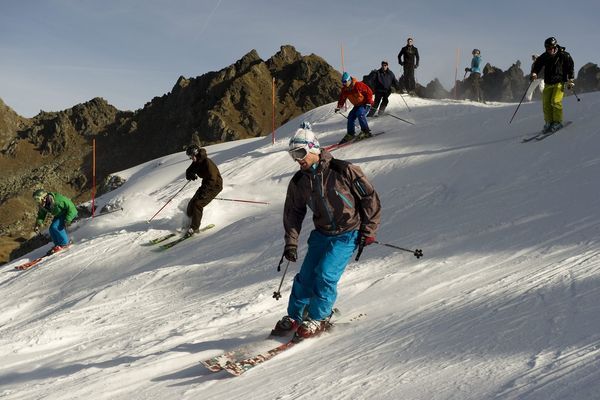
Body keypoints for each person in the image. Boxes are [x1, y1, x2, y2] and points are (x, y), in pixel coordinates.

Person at [273, 128, 381, 340]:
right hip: (321, 234)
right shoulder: (299, 181)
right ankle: (297, 316)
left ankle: (319, 317)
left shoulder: (343, 170)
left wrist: (368, 230)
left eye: (300, 153)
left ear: (313, 149)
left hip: (347, 233)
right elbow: (293, 213)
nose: (297, 160)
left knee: (325, 274)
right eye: (293, 155)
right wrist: (291, 243)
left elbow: (370, 198)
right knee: (305, 277)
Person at [531, 36, 575, 133]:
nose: (549, 50)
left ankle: (557, 122)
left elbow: (570, 67)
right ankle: (549, 123)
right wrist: (534, 73)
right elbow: (537, 64)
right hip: (548, 83)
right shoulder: (545, 56)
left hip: (559, 83)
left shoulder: (564, 55)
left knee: (555, 101)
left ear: (555, 46)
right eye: (547, 48)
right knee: (546, 103)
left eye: (550, 48)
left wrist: (570, 80)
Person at [184, 144, 223, 236]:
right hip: (205, 185)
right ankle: (189, 223)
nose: (191, 158)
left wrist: (204, 193)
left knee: (198, 204)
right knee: (191, 204)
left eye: (191, 156)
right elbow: (188, 171)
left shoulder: (207, 163)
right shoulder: (197, 162)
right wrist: (190, 175)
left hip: (214, 186)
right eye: (189, 157)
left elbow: (212, 179)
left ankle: (194, 228)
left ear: (196, 154)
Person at [32, 189, 78, 256]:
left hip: (67, 213)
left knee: (56, 227)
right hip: (58, 215)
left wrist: (68, 219)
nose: (37, 202)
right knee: (51, 229)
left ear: (44, 197)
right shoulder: (44, 204)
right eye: (35, 200)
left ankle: (64, 244)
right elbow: (41, 215)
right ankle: (58, 245)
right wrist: (38, 224)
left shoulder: (58, 200)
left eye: (38, 199)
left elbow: (72, 208)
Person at [335, 72, 374, 144]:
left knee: (360, 113)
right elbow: (342, 99)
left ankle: (366, 132)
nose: (344, 84)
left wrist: (369, 102)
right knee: (350, 117)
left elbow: (369, 92)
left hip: (365, 104)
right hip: (357, 105)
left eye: (345, 82)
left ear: (349, 80)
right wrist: (339, 107)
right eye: (342, 82)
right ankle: (351, 134)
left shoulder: (358, 85)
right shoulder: (345, 89)